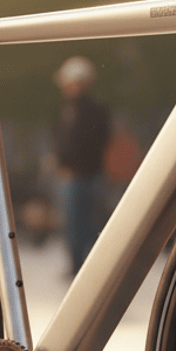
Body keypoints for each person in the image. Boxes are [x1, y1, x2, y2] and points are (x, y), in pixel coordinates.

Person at [53, 55, 110, 275]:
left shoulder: (93, 110)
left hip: (86, 176)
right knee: (74, 225)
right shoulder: (66, 108)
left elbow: (99, 142)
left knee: (87, 225)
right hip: (73, 177)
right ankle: (77, 267)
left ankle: (87, 268)